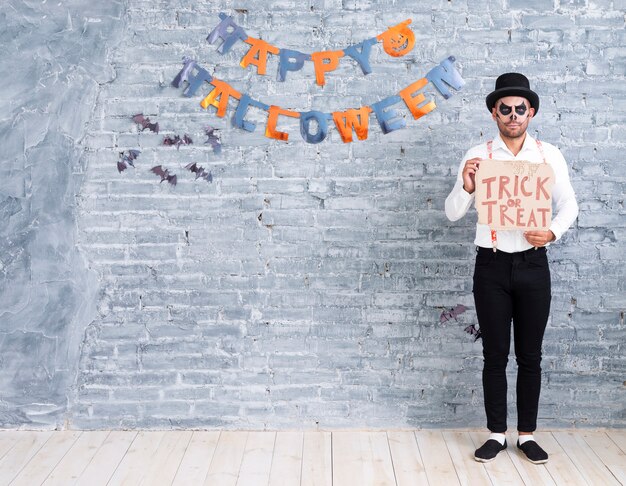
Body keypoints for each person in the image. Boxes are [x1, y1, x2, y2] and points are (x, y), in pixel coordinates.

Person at [445, 72, 578, 464]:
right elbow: (452, 214)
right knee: (494, 355)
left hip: (534, 264)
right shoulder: (478, 156)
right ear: (494, 113)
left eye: (521, 108)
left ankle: (527, 435)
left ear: (531, 112)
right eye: (506, 109)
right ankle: (496, 434)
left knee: (530, 355)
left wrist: (551, 232)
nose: (514, 114)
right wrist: (466, 187)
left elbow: (569, 204)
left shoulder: (548, 154)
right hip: (491, 264)